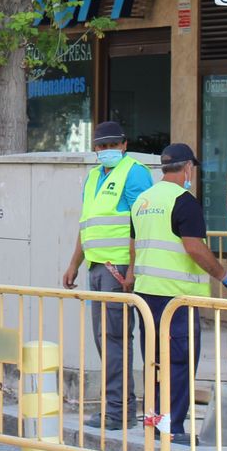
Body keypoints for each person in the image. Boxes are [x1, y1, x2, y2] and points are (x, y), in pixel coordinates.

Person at [130, 143, 227, 438]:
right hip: (176, 299)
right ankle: (173, 428)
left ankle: (156, 422)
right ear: (187, 168)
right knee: (178, 364)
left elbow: (134, 246)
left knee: (154, 362)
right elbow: (194, 247)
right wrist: (225, 276)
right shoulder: (184, 201)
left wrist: (131, 277)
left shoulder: (143, 201)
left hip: (145, 296)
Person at [61, 120, 153, 428]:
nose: (106, 151)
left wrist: (133, 269)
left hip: (119, 270)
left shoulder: (136, 172)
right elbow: (87, 225)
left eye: (112, 145)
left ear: (124, 145)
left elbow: (141, 224)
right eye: (101, 146)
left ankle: (118, 411)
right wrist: (75, 262)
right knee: (106, 340)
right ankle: (120, 407)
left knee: (115, 340)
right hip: (97, 268)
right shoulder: (92, 178)